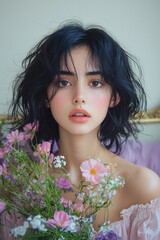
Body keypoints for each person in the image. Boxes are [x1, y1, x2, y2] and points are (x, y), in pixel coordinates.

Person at [1, 21, 160, 239]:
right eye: (63, 82)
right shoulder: (20, 187)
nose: (79, 96)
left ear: (114, 96)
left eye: (95, 83)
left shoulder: (143, 186)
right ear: (45, 96)